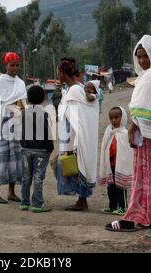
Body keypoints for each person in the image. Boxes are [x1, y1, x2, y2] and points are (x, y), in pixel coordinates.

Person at [106, 35, 151, 232]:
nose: (142, 60)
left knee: (141, 176)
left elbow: (140, 106)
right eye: (139, 57)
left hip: (145, 135)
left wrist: (133, 127)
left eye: (145, 56)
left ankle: (132, 218)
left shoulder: (150, 75)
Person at [56, 57, 99, 211]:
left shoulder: (75, 90)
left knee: (77, 165)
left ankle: (82, 201)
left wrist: (74, 139)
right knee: (74, 165)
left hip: (75, 134)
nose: (57, 76)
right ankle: (81, 200)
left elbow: (76, 116)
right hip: (74, 133)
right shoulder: (77, 88)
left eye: (58, 72)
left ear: (62, 73)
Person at [0, 52, 27, 204]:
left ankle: (12, 192)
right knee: (0, 156)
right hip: (2, 122)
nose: (15, 68)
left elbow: (23, 101)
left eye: (17, 65)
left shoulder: (21, 83)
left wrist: (21, 109)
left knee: (16, 157)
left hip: (16, 123)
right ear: (6, 65)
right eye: (12, 65)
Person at [20, 85, 54, 213]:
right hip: (41, 151)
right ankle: (38, 204)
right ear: (43, 98)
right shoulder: (44, 114)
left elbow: (20, 131)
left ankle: (24, 202)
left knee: (26, 176)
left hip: (25, 149)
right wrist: (50, 147)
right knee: (38, 176)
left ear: (28, 99)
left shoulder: (23, 113)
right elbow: (47, 132)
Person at [99, 107, 133, 216]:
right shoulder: (109, 131)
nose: (114, 120)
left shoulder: (124, 133)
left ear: (122, 118)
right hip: (111, 165)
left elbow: (127, 152)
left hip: (121, 166)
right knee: (111, 187)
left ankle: (123, 207)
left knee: (120, 187)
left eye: (116, 117)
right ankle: (112, 206)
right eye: (111, 118)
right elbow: (105, 147)